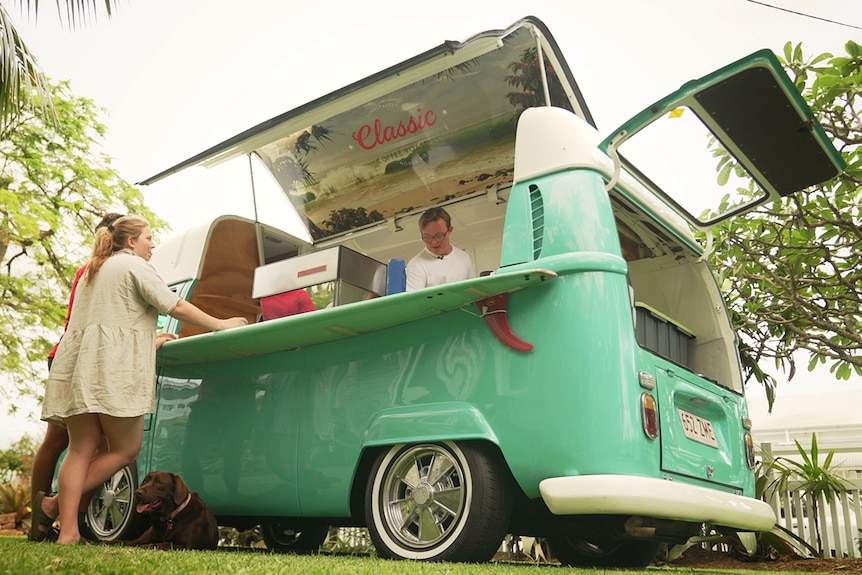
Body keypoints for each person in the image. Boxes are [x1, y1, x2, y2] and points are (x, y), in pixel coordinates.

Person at [30, 216, 248, 545]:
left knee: (80, 448)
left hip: (77, 366)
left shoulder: (93, 269)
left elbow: (110, 319)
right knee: (125, 449)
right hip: (111, 371)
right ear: (131, 242)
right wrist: (221, 324)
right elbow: (173, 304)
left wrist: (148, 337)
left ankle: (68, 531)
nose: (153, 243)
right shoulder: (134, 266)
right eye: (148, 237)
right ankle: (52, 505)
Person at [31, 213, 124, 541]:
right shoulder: (99, 270)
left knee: (86, 444)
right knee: (68, 442)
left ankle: (60, 519)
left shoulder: (98, 268)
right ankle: (44, 516)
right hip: (74, 359)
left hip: (76, 358)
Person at [405, 207, 475, 291]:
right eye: (427, 237)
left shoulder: (464, 258)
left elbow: (473, 292)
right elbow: (414, 302)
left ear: (450, 230)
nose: (433, 242)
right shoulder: (416, 265)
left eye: (439, 236)